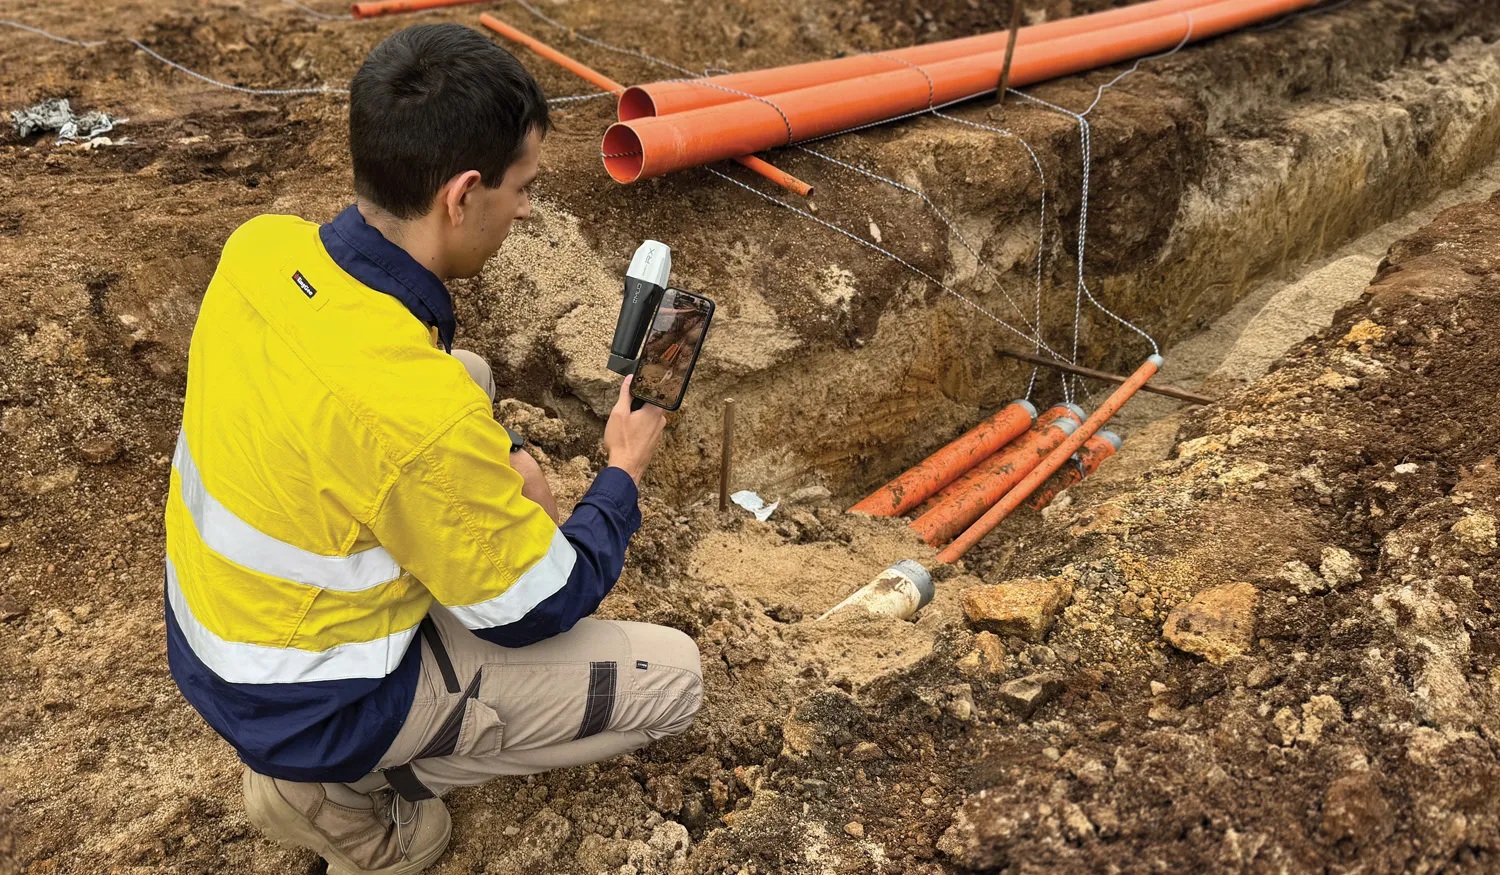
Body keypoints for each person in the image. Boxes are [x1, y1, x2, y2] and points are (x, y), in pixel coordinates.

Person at [162, 23, 703, 874]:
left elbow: (417, 398)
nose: (526, 209)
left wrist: (506, 450)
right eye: (521, 188)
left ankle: (323, 762)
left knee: (473, 374)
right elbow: (541, 606)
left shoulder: (259, 248)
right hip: (311, 704)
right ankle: (339, 798)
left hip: (223, 639)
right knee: (674, 677)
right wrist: (623, 472)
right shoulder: (419, 418)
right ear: (461, 195)